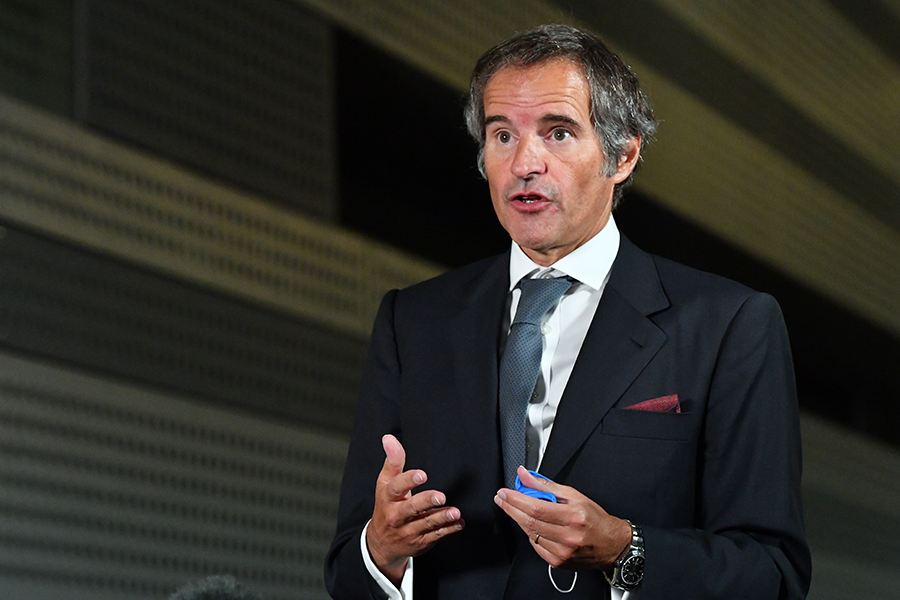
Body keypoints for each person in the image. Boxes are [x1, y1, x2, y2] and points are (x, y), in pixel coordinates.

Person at [325, 23, 811, 600]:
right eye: (502, 135)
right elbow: (346, 573)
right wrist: (381, 549)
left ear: (623, 153)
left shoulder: (729, 324)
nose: (525, 162)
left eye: (556, 133)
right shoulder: (413, 321)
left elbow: (772, 574)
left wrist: (624, 548)